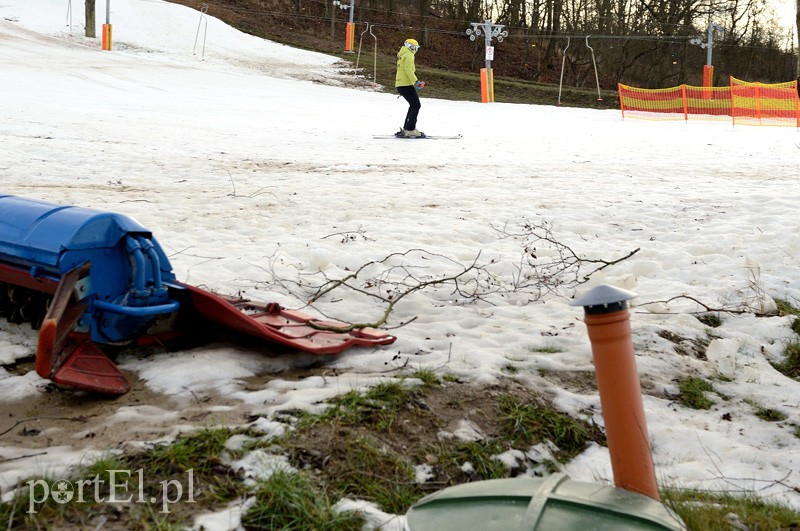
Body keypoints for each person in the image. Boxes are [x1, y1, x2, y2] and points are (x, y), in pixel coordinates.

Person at [395, 38, 425, 137]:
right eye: (415, 47)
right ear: (411, 47)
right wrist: (416, 82)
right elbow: (408, 69)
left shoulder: (403, 54)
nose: (416, 50)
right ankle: (410, 129)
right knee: (416, 105)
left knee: (413, 105)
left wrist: (414, 82)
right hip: (406, 84)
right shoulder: (409, 55)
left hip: (401, 84)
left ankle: (407, 127)